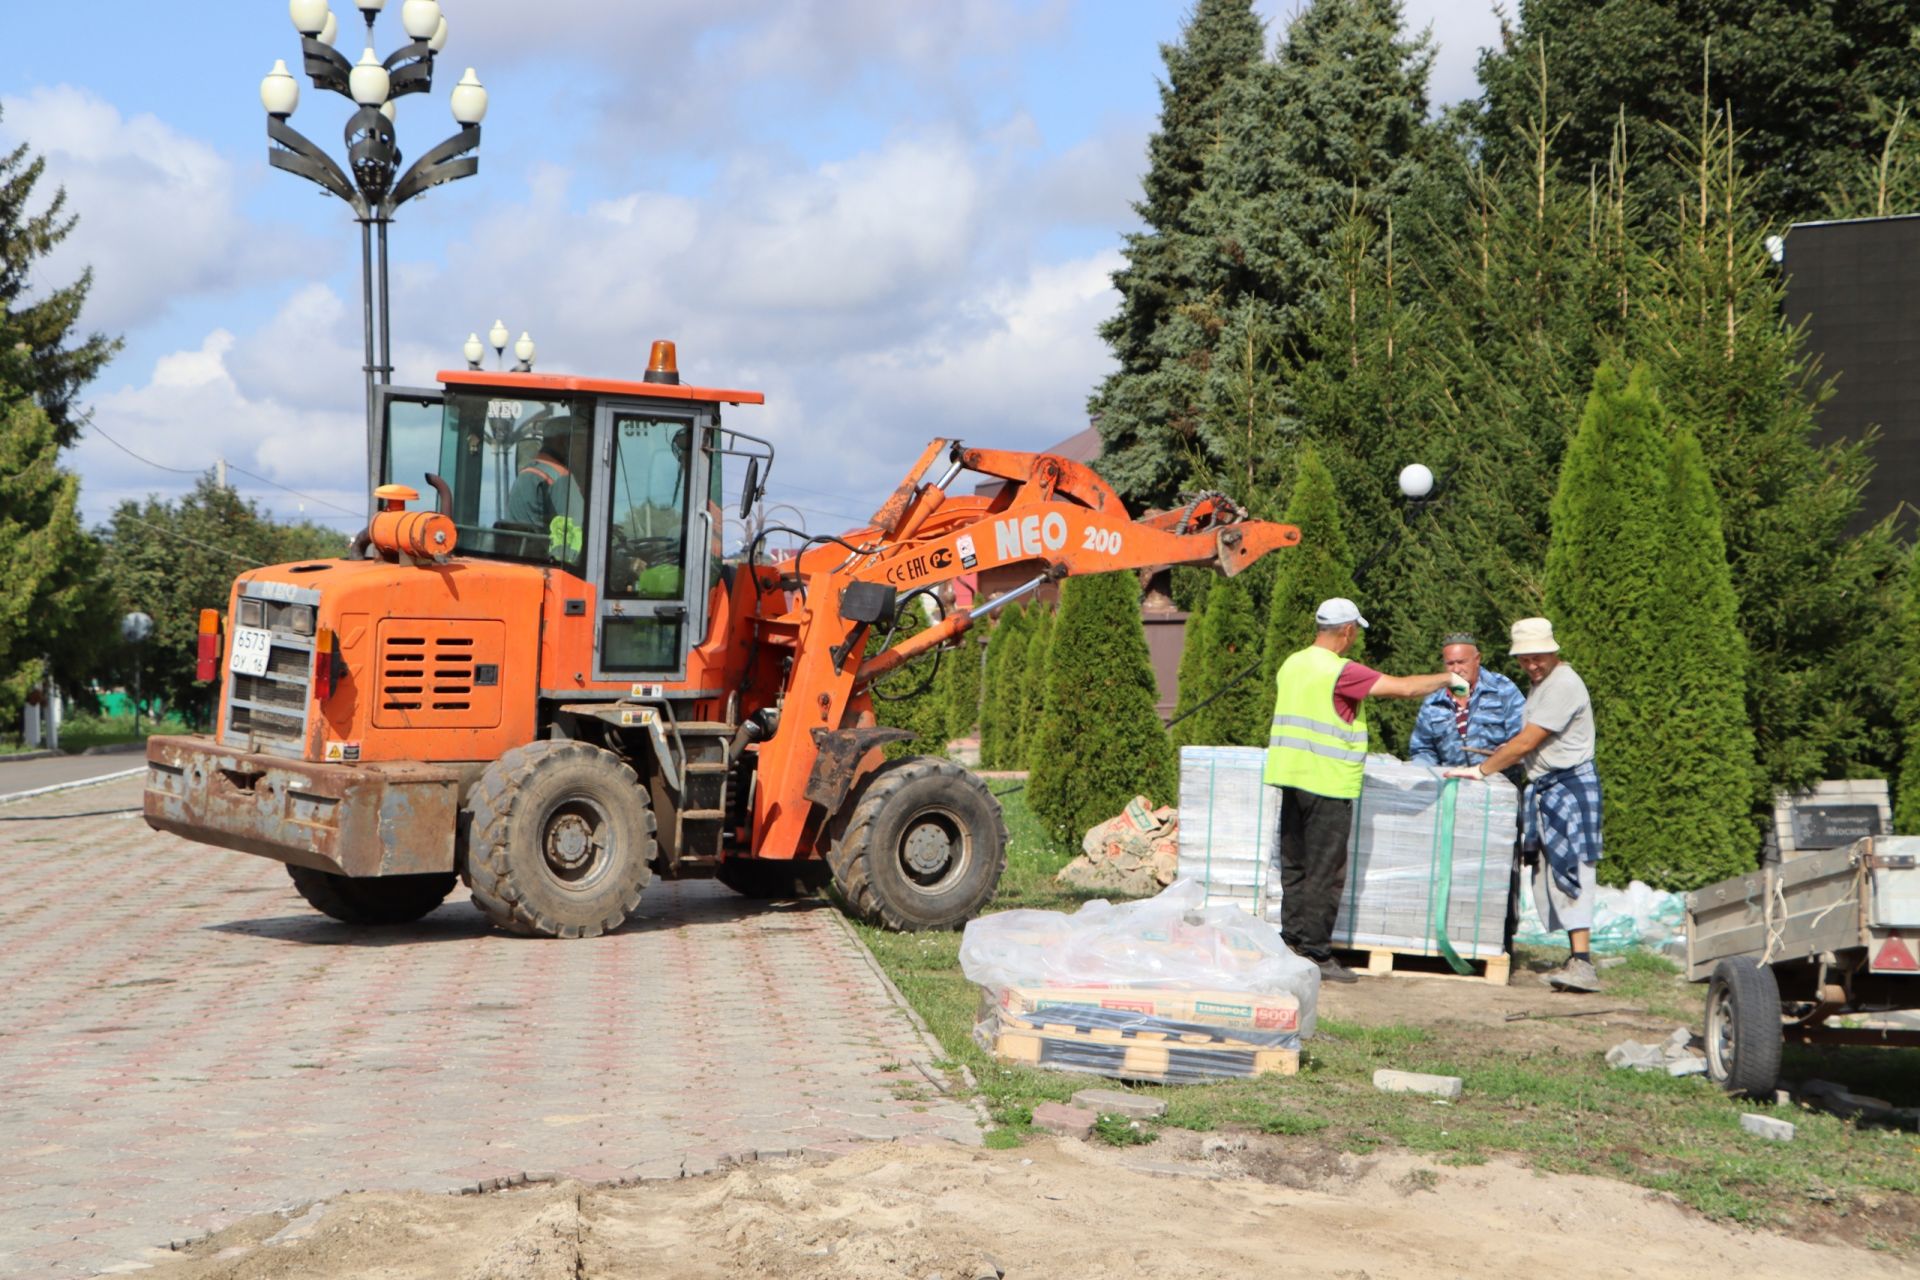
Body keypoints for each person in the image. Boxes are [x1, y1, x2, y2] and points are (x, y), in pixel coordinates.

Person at [1266, 598, 1470, 984]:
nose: (1355, 638)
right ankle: (1316, 953)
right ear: (1346, 631)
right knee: (1325, 873)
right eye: (1355, 631)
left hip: (1290, 778)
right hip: (1327, 782)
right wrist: (1448, 679)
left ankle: (1291, 942)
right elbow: (1405, 689)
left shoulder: (1293, 663)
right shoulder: (1341, 671)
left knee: (1295, 868)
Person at [1445, 617, 1603, 993]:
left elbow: (1527, 742)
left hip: (1568, 789)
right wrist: (1503, 756)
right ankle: (1575, 958)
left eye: (1538, 658)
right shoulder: (1542, 685)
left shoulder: (1563, 684)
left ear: (1553, 651)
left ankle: (1583, 963)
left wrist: (1481, 770)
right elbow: (1529, 745)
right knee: (1552, 872)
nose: (1531, 665)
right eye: (1524, 659)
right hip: (1548, 785)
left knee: (1574, 869)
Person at [1407, 633, 1526, 771]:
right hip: (1452, 785)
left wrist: (1507, 751)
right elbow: (1423, 749)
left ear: (1477, 659)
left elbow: (1525, 737)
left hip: (1500, 782)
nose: (1456, 670)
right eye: (1450, 664)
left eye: (1461, 662)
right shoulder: (1434, 702)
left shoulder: (1502, 689)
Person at [505, 428, 586, 563]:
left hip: (516, 559)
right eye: (581, 444)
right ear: (563, 442)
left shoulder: (528, 472)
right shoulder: (560, 477)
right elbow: (577, 538)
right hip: (545, 565)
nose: (585, 452)